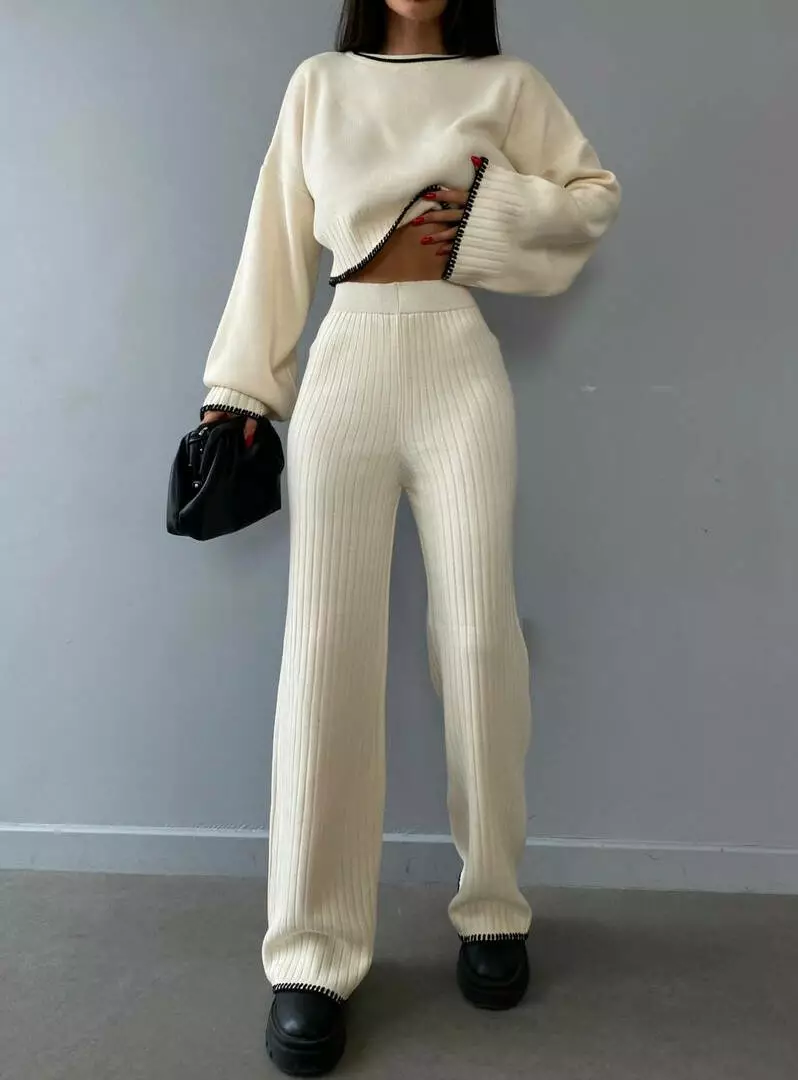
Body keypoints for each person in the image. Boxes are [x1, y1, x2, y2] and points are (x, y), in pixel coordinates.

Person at [199, 0, 621, 1073]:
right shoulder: (320, 83)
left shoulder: (505, 84)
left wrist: (484, 215)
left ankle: (494, 909)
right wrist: (240, 392)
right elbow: (273, 246)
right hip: (345, 365)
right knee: (326, 653)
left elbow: (591, 197)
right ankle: (311, 953)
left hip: (458, 369)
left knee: (479, 641)